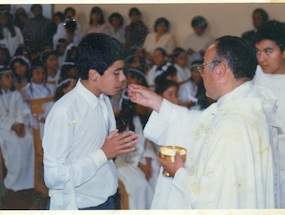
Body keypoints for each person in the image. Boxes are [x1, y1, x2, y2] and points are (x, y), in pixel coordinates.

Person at [128, 36, 277, 209]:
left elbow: (211, 200)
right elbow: (198, 123)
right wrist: (159, 104)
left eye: (203, 67)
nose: (201, 73)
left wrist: (179, 173)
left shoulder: (231, 125)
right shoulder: (249, 105)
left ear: (220, 70)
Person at [42, 33, 138, 210]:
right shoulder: (65, 111)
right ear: (93, 74)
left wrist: (116, 146)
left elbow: (100, 149)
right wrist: (103, 153)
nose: (123, 78)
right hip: (78, 205)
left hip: (105, 198)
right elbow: (53, 176)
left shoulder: (103, 100)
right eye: (116, 73)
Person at [253, 20, 285, 208]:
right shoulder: (255, 75)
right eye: (258, 52)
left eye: (268, 51)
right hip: (261, 165)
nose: (261, 58)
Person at [0, 65, 34, 192]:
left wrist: (20, 124)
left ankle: (29, 178)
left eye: (11, 77)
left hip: (18, 125)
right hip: (3, 128)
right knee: (14, 143)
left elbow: (22, 111)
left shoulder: (16, 94)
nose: (10, 80)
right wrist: (12, 126)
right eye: (6, 77)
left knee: (29, 138)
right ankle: (14, 179)